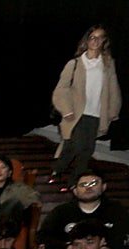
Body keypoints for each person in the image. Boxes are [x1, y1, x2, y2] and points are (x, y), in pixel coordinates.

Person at [51, 25, 122, 186]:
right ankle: (58, 168)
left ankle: (75, 183)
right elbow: (61, 89)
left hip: (96, 113)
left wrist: (113, 110)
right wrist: (66, 109)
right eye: (93, 37)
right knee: (75, 145)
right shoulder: (75, 63)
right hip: (76, 113)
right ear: (87, 40)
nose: (96, 41)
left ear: (104, 41)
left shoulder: (108, 64)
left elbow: (113, 88)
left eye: (100, 37)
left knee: (86, 150)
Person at [37, 170, 129, 249]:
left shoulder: (116, 210)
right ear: (75, 190)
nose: (88, 188)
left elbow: (123, 235)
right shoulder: (61, 212)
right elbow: (43, 236)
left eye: (94, 184)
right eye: (83, 185)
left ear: (103, 187)